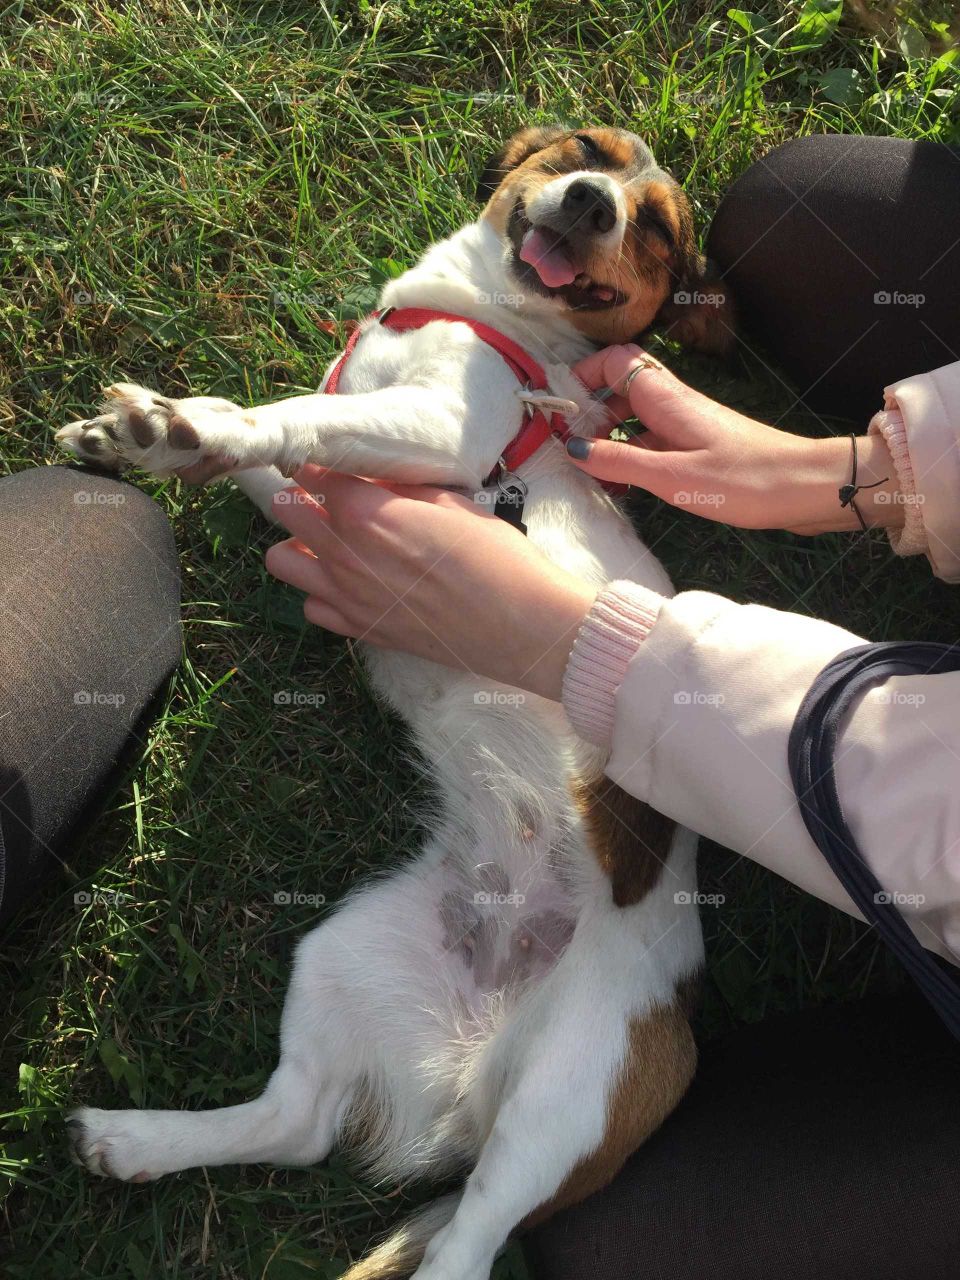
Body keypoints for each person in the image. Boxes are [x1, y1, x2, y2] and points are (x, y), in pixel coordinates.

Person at [3, 135, 959, 1276]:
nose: (606, 190)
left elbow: (430, 453)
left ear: (663, 307)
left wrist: (243, 434)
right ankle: (293, 1119)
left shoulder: (515, 384)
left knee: (578, 1209)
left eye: (651, 229)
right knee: (345, 963)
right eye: (586, 157)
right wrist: (858, 473)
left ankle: (459, 1245)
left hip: (613, 892)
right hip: (515, 839)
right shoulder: (493, 365)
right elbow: (342, 508)